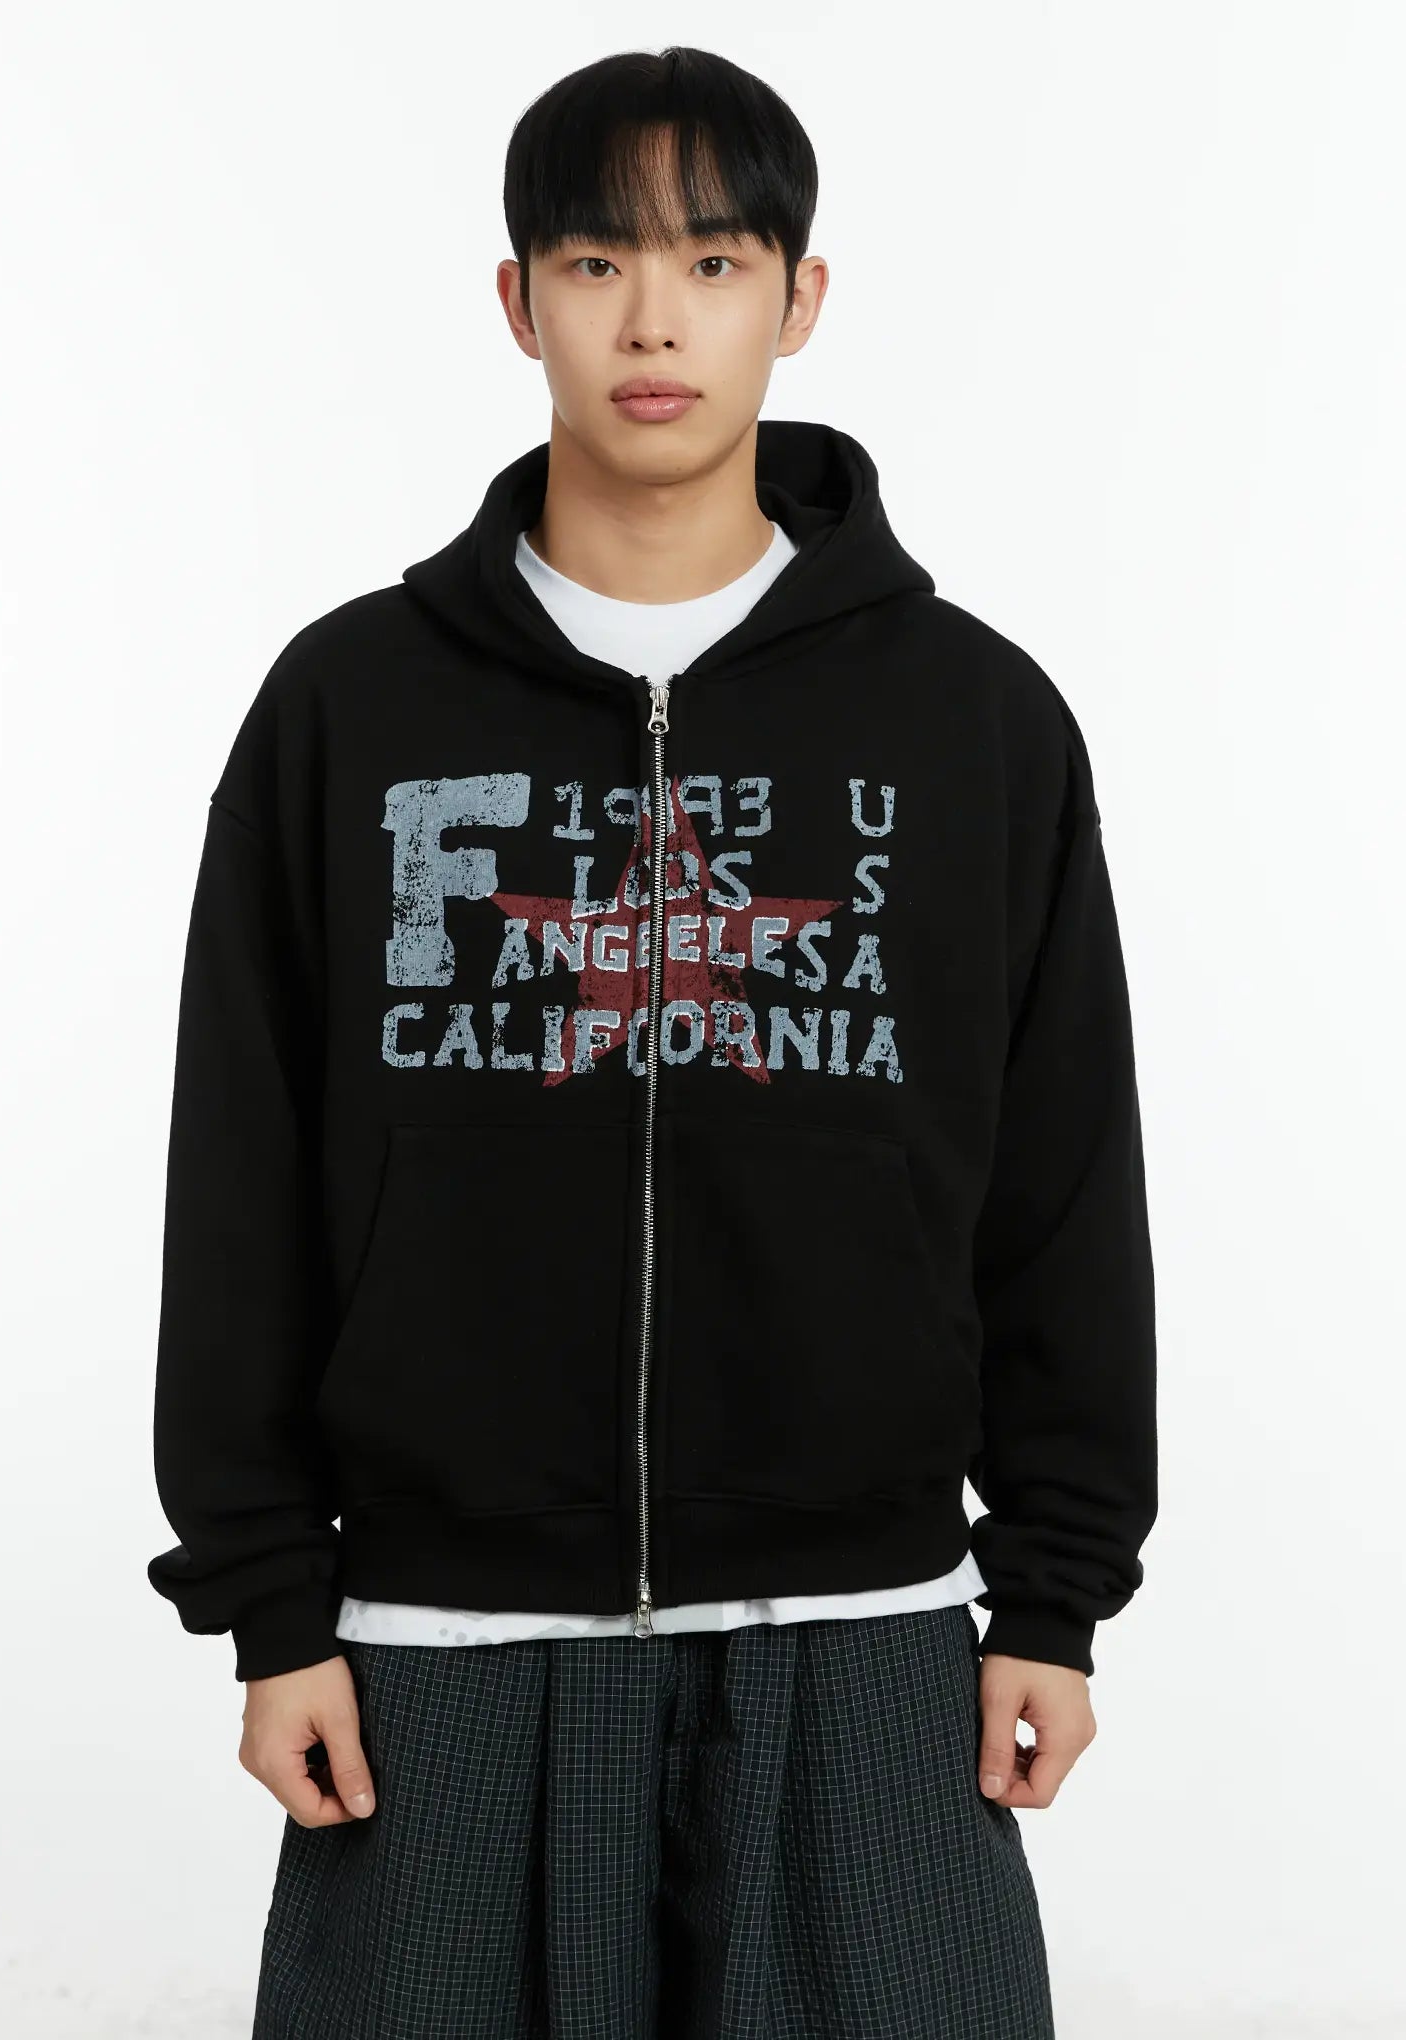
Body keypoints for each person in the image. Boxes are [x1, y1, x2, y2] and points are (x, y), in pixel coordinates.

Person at [147, 43, 1157, 2040]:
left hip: (865, 1633)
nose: (654, 319)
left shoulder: (973, 719)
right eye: (597, 261)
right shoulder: (350, 707)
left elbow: (1062, 1176)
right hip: (433, 1642)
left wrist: (1052, 1588)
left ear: (800, 295)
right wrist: (271, 1604)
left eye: (711, 261)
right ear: (518, 302)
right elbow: (241, 1172)